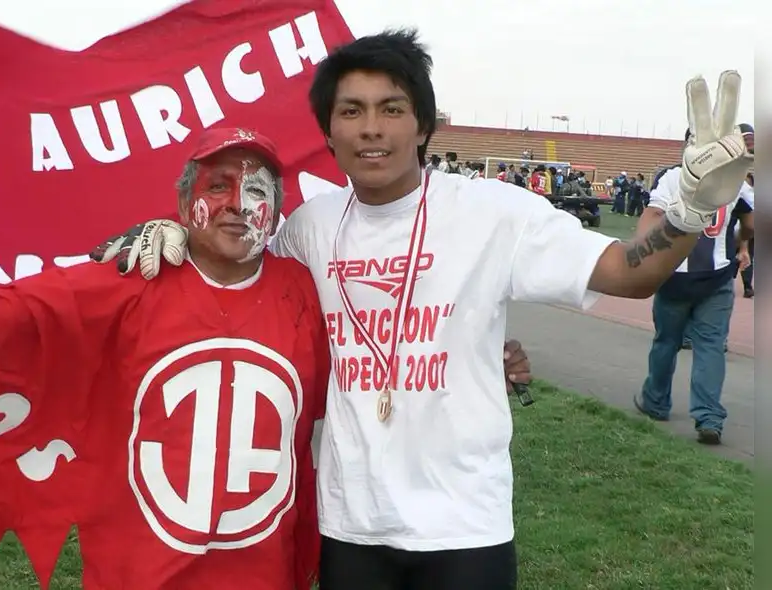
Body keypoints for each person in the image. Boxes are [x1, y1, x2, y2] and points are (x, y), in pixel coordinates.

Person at [92, 30, 751, 590]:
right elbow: (229, 268)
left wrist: (690, 209)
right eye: (351, 111)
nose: (371, 128)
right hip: (349, 527)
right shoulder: (309, 228)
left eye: (391, 108)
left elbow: (625, 273)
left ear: (424, 123)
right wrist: (174, 235)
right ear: (328, 130)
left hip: (464, 528)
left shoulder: (494, 213)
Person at [0, 125, 536, 589]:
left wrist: (474, 352)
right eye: (218, 187)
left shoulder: (302, 290)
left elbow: (378, 354)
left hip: (262, 571)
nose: (239, 204)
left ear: (278, 209)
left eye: (257, 189)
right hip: (140, 570)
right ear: (185, 204)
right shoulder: (130, 278)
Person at [637, 124, 754, 445]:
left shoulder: (673, 177)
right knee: (710, 347)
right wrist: (741, 243)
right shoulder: (734, 181)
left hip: (674, 275)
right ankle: (709, 416)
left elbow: (651, 214)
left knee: (666, 342)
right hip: (716, 276)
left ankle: (656, 401)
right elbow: (752, 221)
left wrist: (642, 247)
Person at [740, 172, 755, 298]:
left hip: (749, 231)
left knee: (748, 255)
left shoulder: (749, 194)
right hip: (737, 232)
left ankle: (747, 286)